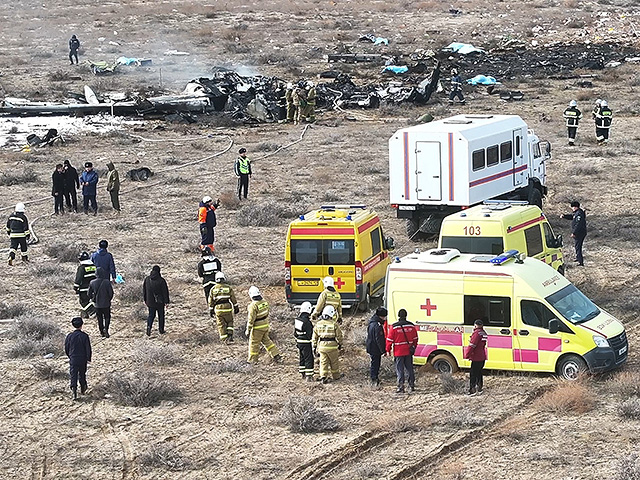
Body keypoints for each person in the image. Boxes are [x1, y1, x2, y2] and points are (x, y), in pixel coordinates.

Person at [246, 286, 282, 364]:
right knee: (267, 341)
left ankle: (252, 360)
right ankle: (276, 355)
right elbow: (267, 312)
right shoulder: (264, 302)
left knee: (254, 343)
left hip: (257, 328)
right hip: (265, 325)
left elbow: (251, 319)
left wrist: (248, 329)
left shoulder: (253, 305)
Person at [386, 309, 418, 393]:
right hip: (408, 351)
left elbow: (389, 340)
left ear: (398, 316)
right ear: (406, 315)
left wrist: (388, 350)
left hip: (398, 352)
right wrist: (414, 346)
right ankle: (411, 385)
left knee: (400, 369)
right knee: (409, 368)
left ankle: (401, 387)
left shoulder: (394, 327)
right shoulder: (411, 326)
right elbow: (415, 338)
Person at [312, 305, 344, 384]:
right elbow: (339, 336)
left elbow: (314, 337)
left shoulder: (318, 324)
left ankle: (323, 376)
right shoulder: (334, 324)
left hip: (322, 347)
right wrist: (340, 344)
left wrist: (314, 346)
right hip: (332, 346)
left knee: (323, 362)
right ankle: (336, 376)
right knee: (334, 362)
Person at [64, 317, 91, 400]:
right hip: (82, 358)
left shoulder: (69, 336)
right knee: (82, 373)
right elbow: (88, 348)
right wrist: (88, 358)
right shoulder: (84, 336)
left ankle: (74, 390)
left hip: (73, 358)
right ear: (81, 325)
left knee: (73, 374)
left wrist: (70, 356)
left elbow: (66, 347)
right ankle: (83, 388)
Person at [208, 271, 239, 343]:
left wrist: (211, 309)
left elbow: (210, 300)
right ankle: (230, 335)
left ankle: (224, 339)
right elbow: (233, 298)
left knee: (221, 324)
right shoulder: (228, 288)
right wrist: (236, 307)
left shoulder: (213, 289)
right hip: (227, 307)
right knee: (230, 321)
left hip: (218, 309)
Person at [143, 265, 170, 336]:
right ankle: (161, 330)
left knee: (151, 315)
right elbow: (165, 292)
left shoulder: (147, 279)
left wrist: (145, 299)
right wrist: (166, 302)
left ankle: (149, 327)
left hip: (150, 302)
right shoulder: (161, 281)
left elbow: (144, 290)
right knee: (161, 316)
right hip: (159, 302)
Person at [88, 267, 114, 338]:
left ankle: (101, 331)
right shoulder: (107, 282)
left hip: (97, 304)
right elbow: (111, 293)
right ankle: (106, 329)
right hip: (106, 303)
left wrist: (93, 299)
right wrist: (108, 299)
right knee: (107, 317)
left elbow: (89, 294)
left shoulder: (92, 282)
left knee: (99, 318)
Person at [560, 201, 587, 266]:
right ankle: (578, 258)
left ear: (575, 207)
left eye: (572, 207)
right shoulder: (577, 213)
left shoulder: (579, 214)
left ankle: (580, 262)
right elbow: (572, 217)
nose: (572, 208)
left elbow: (578, 224)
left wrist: (574, 233)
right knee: (577, 246)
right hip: (579, 233)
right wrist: (564, 216)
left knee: (578, 246)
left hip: (580, 233)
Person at [465, 319, 487, 396]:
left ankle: (472, 390)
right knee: (479, 373)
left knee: (473, 374)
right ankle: (480, 388)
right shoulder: (483, 333)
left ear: (475, 325)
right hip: (482, 356)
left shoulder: (476, 334)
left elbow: (472, 345)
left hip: (476, 357)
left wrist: (467, 354)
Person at [366, 307, 388, 386]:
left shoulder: (371, 323)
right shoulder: (377, 326)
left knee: (374, 363)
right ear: (380, 316)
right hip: (375, 348)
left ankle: (374, 378)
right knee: (375, 364)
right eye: (384, 316)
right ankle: (374, 379)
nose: (385, 318)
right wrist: (383, 350)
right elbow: (379, 339)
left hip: (371, 346)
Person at [294, 301, 315, 382]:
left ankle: (302, 373)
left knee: (302, 357)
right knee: (309, 358)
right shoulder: (307, 322)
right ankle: (309, 376)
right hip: (306, 342)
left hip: (299, 342)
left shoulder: (297, 320)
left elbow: (295, 333)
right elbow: (310, 334)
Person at [74, 251, 97, 318]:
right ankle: (85, 314)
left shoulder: (82, 267)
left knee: (83, 301)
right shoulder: (94, 266)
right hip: (93, 287)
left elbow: (79, 278)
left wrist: (75, 287)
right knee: (91, 300)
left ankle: (93, 311)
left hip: (84, 288)